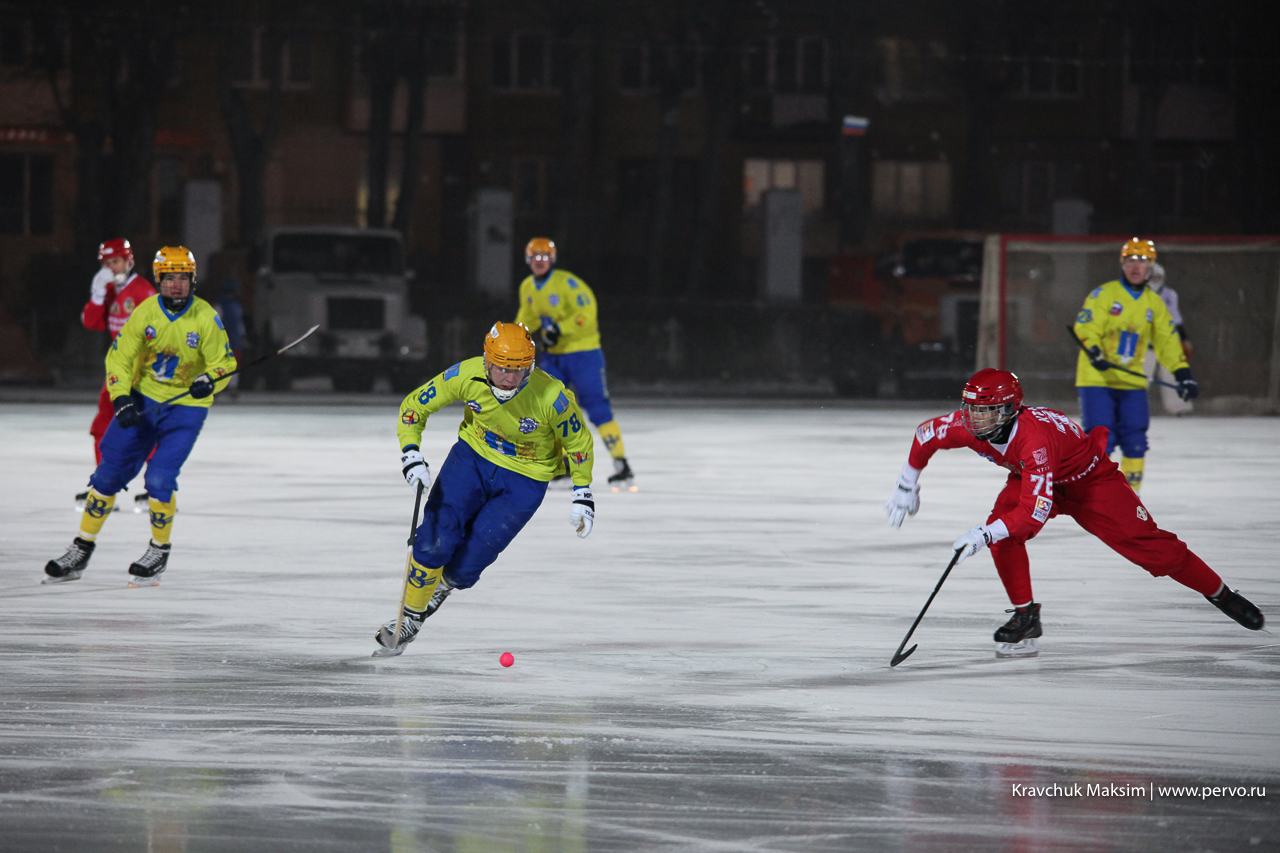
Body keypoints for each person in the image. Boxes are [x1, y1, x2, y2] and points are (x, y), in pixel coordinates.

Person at [884, 368, 1263, 657]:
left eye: (986, 411)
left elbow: (1032, 514)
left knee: (1155, 550)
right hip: (1032, 475)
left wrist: (985, 534)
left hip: (1090, 481)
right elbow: (925, 435)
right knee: (1004, 536)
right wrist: (906, 483)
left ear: (1011, 410)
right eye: (970, 409)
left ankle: (1221, 594)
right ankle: (1026, 617)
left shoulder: (1033, 441)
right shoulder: (971, 428)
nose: (973, 419)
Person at [374, 321, 597, 652]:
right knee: (436, 538)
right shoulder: (465, 375)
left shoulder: (552, 396)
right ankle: (409, 617)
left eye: (518, 370)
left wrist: (583, 493)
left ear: (531, 367)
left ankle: (441, 589)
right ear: (486, 362)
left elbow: (578, 441)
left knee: (470, 561)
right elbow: (414, 407)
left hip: (527, 477)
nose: (509, 378)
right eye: (501, 368)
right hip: (472, 458)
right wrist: (410, 453)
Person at [43, 247, 237, 587]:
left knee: (160, 480)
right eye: (169, 278)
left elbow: (225, 362)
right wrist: (121, 398)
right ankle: (81, 547)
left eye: (183, 278)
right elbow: (119, 358)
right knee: (105, 478)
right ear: (159, 279)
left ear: (192, 280)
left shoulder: (205, 317)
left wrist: (210, 380)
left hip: (184, 408)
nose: (176, 286)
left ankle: (158, 550)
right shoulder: (145, 312)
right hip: (143, 400)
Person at [1072, 238, 1198, 493]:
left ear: (1151, 266)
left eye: (1142, 261)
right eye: (1131, 260)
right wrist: (1094, 349)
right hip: (1098, 378)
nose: (1136, 266)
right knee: (1100, 439)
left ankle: (1129, 498)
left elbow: (1167, 341)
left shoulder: (1155, 303)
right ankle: (1098, 495)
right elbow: (1087, 326)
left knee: (1136, 440)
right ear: (1123, 263)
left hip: (1132, 380)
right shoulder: (1104, 294)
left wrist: (1182, 373)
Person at [514, 237, 636, 492]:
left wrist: (560, 329)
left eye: (544, 257)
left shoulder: (567, 283)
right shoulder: (527, 287)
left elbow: (587, 314)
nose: (539, 261)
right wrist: (513, 337)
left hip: (583, 355)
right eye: (535, 256)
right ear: (527, 259)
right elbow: (527, 319)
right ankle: (564, 465)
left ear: (552, 259)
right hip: (553, 357)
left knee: (597, 407)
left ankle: (621, 463)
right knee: (550, 410)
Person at [77, 238, 157, 511]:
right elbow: (92, 323)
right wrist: (97, 296)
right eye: (106, 263)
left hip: (143, 370)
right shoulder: (108, 290)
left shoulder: (143, 290)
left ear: (128, 261)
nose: (111, 268)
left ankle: (156, 490)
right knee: (103, 425)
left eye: (116, 262)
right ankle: (103, 487)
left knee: (147, 426)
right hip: (117, 369)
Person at [1143, 263, 1194, 416]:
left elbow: (1176, 318)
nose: (1155, 280)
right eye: (1152, 277)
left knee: (1173, 375)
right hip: (1145, 344)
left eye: (1158, 277)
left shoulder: (1169, 295)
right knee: (1139, 378)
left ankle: (1179, 408)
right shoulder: (1138, 295)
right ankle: (1131, 407)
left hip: (1167, 342)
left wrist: (1184, 339)